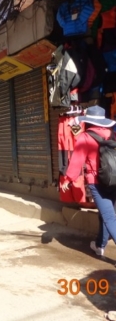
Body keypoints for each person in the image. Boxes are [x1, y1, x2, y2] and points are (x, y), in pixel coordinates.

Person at [60, 105, 116, 257]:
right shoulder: (112, 134)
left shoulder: (85, 137)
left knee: (109, 217)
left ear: (89, 121)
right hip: (114, 180)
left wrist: (68, 179)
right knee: (105, 214)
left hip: (97, 182)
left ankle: (101, 245)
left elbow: (77, 160)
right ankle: (100, 245)